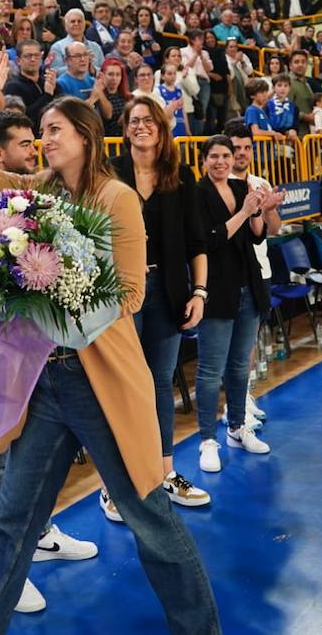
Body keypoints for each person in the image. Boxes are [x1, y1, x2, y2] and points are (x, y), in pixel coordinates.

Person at [0, 52, 220, 635]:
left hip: (100, 380)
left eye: (52, 130)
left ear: (85, 136)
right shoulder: (41, 189)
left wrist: (63, 305)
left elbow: (129, 294)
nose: (41, 141)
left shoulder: (117, 198)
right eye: (39, 131)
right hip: (47, 381)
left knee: (148, 514)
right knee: (14, 518)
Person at [0, 111, 99, 614]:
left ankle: (37, 537)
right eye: (26, 143)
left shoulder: (41, 193)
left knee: (29, 460)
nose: (36, 149)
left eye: (42, 138)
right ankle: (8, 564)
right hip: (4, 352)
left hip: (45, 352)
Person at [106, 96, 210, 517]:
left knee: (158, 384)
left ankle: (164, 472)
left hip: (167, 294)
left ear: (162, 128)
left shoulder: (181, 176)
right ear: (126, 128)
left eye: (150, 120)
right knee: (123, 389)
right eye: (135, 121)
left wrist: (199, 293)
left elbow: (196, 242)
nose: (142, 126)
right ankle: (117, 485)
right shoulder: (109, 171)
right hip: (119, 295)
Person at [193, 135, 273, 473]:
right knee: (211, 371)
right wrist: (244, 212)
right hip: (215, 291)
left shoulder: (242, 188)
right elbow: (210, 239)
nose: (222, 161)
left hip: (247, 287)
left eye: (226, 155)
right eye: (214, 156)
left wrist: (261, 210)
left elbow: (256, 234)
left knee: (240, 366)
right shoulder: (196, 194)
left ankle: (238, 427)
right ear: (204, 160)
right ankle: (207, 439)